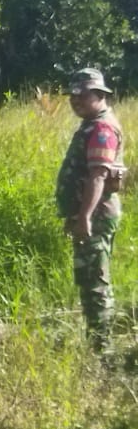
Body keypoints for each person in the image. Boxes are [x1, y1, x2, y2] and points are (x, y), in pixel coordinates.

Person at [56, 68, 126, 355]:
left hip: (95, 217)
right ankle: (98, 343)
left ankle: (103, 350)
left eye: (82, 95)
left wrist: (84, 216)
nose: (75, 101)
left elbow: (98, 176)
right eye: (73, 96)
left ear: (99, 95)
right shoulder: (92, 124)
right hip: (88, 216)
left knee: (95, 283)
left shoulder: (101, 129)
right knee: (88, 281)